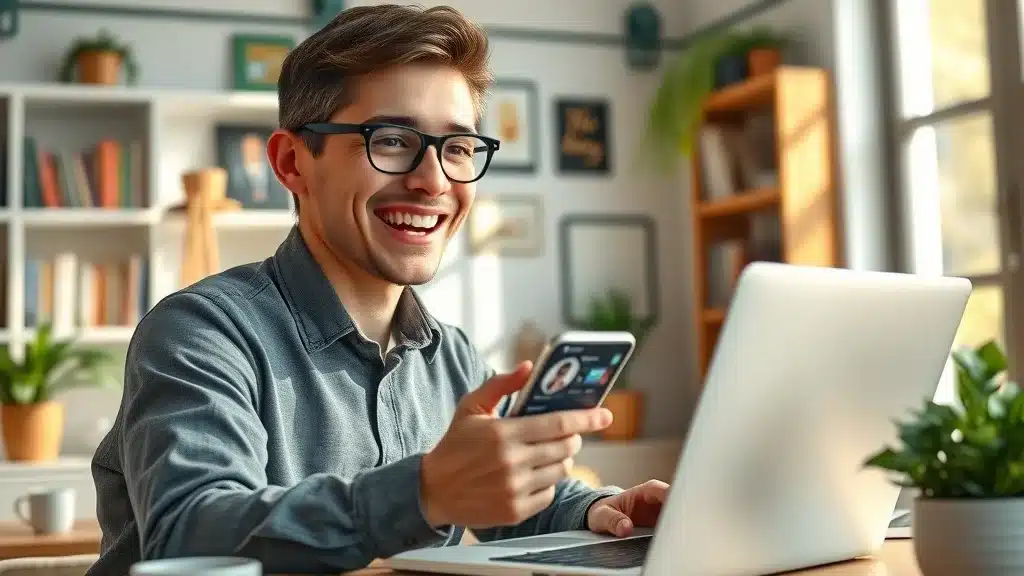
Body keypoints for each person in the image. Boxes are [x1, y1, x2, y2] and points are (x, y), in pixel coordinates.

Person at [86, 5, 669, 575]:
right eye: (391, 139)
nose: (434, 179)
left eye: (459, 147)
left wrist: (597, 510)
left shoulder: (453, 357)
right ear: (293, 162)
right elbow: (189, 534)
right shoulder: (200, 333)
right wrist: (424, 491)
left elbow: (506, 500)